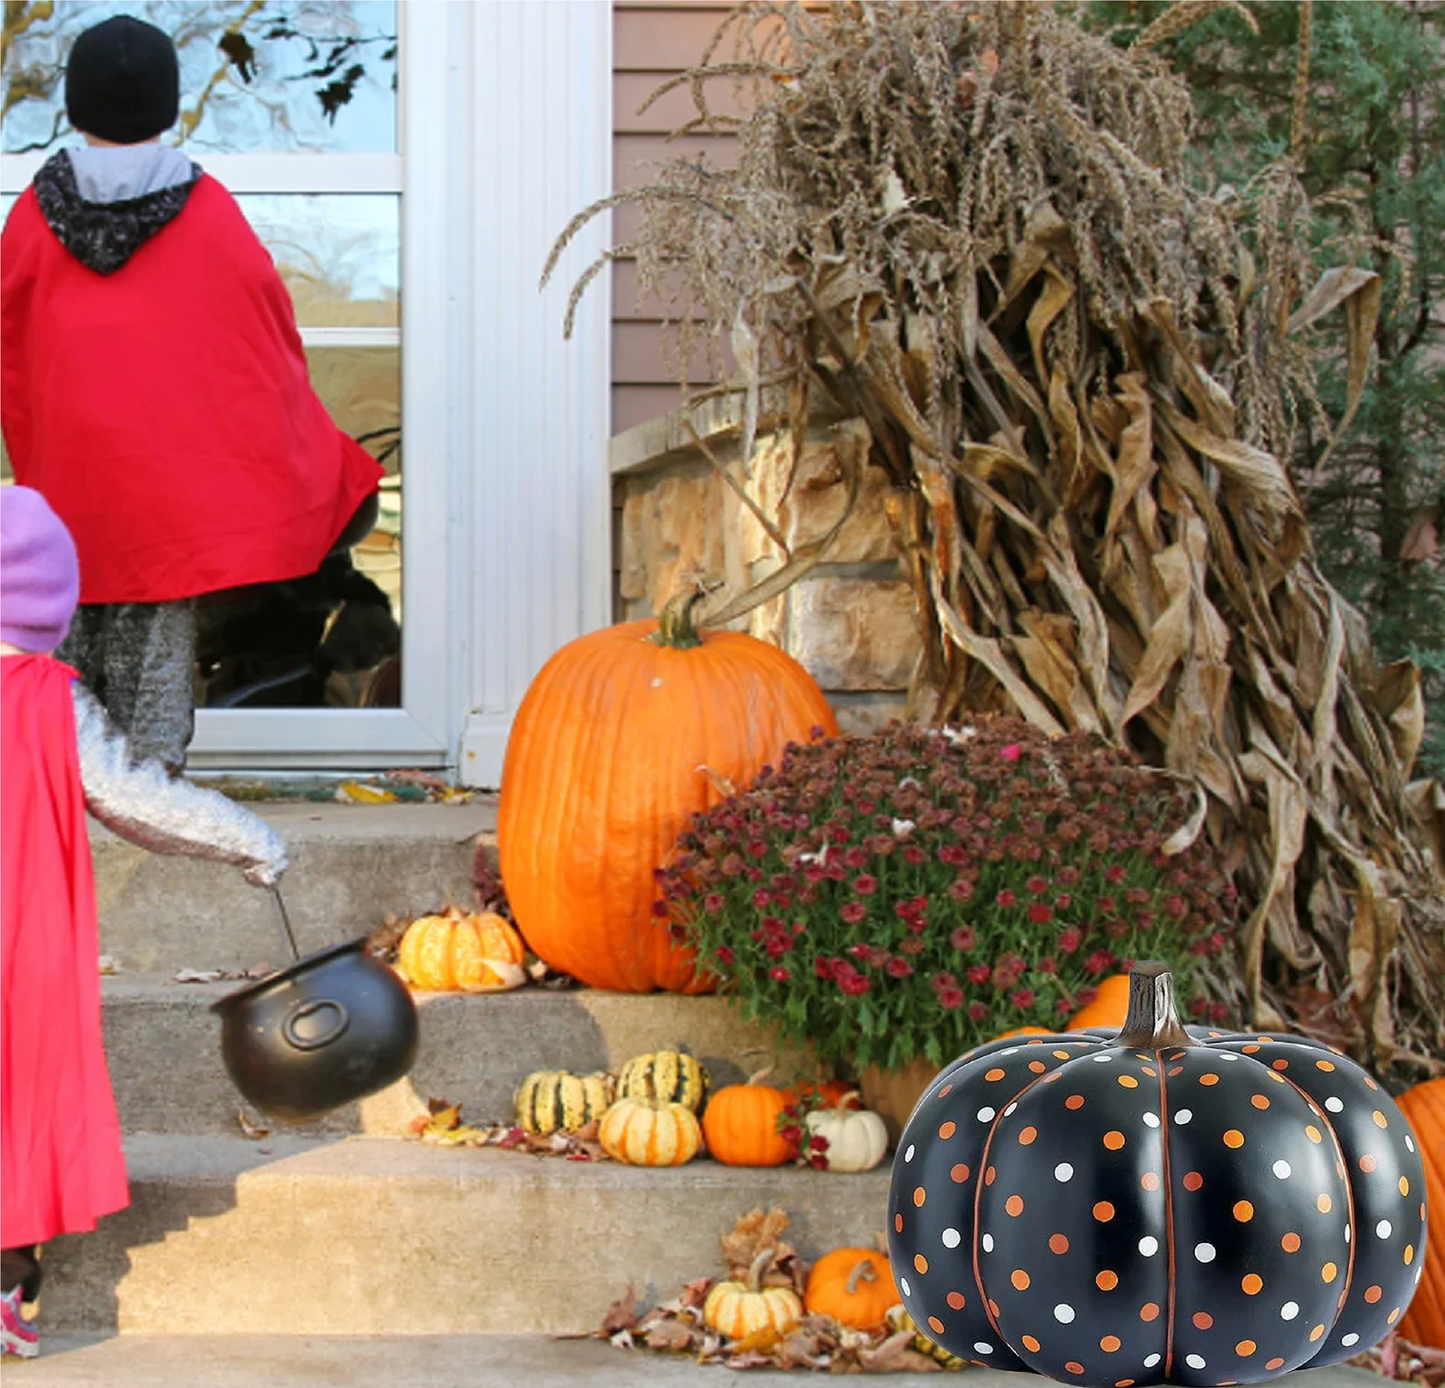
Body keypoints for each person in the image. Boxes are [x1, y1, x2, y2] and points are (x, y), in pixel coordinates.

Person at [0, 14, 382, 772]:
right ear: (168, 107)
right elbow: (264, 344)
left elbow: (12, 343)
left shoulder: (32, 219)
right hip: (167, 503)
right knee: (157, 657)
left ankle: (63, 793)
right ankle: (152, 790)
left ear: (75, 108)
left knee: (62, 650)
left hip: (72, 489)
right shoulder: (208, 215)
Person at [0, 487, 289, 1360]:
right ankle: (7, 1282)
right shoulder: (50, 702)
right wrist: (252, 840)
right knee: (15, 1108)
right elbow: (139, 800)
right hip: (19, 956)